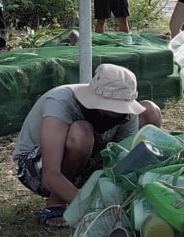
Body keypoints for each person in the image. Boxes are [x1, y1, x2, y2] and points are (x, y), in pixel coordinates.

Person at [12, 64, 162, 228]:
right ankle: (56, 201)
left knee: (150, 111)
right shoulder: (61, 102)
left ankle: (79, 193)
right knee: (81, 133)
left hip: (90, 157)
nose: (112, 118)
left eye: (119, 114)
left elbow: (121, 161)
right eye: (108, 112)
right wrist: (92, 209)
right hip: (37, 168)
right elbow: (50, 174)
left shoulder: (126, 115)